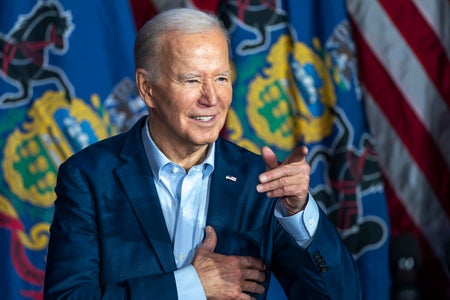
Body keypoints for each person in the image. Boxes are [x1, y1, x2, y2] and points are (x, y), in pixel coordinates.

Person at [44, 7, 361, 300]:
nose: (212, 98)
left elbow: (340, 296)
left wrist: (299, 213)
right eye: (192, 79)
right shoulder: (89, 175)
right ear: (147, 88)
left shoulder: (261, 181)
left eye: (221, 78)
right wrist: (190, 285)